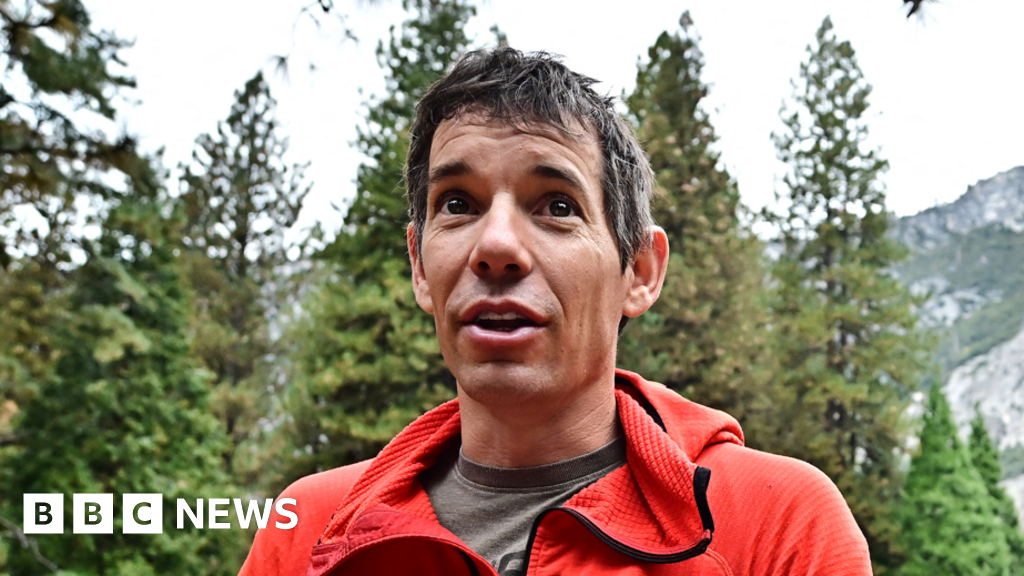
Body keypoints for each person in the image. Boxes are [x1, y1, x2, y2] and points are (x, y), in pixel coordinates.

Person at [238, 47, 871, 576]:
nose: (496, 247)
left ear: (640, 272)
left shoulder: (775, 524)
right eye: (457, 203)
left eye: (557, 206)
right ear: (420, 267)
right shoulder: (308, 531)